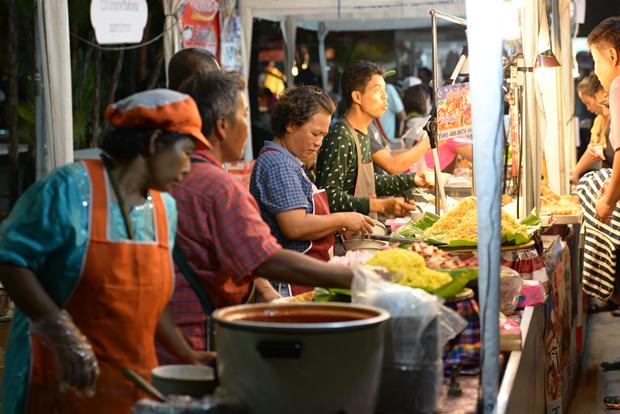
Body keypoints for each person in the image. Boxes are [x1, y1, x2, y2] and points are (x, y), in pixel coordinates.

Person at [0, 89, 213, 413]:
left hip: (132, 386)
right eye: (185, 152)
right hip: (60, 382)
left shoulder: (164, 208)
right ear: (155, 141)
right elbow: (10, 257)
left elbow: (148, 306)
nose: (188, 167)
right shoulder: (69, 187)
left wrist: (187, 354)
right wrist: (61, 333)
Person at [165, 71, 356, 357]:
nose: (250, 124)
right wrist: (354, 279)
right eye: (244, 114)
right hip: (199, 335)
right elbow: (266, 257)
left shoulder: (182, 176)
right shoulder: (218, 186)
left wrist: (265, 290)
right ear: (222, 125)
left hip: (178, 337)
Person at [250, 86, 374, 295]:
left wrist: (333, 226)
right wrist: (342, 219)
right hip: (288, 284)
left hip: (304, 278)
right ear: (290, 124)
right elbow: (295, 226)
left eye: (323, 135)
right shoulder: (278, 164)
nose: (319, 143)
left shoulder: (291, 162)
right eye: (314, 133)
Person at [316, 61, 426, 218]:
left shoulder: (362, 132)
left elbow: (369, 181)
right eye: (377, 90)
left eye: (385, 89)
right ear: (357, 97)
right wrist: (379, 205)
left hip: (362, 230)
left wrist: (413, 179)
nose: (385, 95)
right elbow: (328, 196)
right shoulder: (341, 135)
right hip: (343, 239)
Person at [590, 17, 620, 224]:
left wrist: (607, 202)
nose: (596, 70)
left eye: (595, 60)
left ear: (612, 55)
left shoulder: (618, 86)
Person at [570, 73, 612, 184]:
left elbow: (596, 152)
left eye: (588, 103)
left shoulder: (615, 118)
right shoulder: (598, 121)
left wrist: (576, 171)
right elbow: (592, 150)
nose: (588, 108)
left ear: (597, 95)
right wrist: (575, 171)